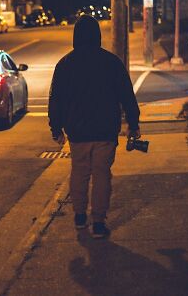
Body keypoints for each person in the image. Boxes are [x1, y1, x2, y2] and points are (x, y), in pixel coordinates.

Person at [48, 15, 140, 238]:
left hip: (77, 131)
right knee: (102, 174)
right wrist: (133, 123)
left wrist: (56, 128)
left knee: (79, 172)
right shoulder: (111, 62)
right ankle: (98, 221)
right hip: (105, 129)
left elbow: (56, 99)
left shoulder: (65, 64)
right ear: (97, 35)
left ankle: (80, 216)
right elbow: (127, 95)